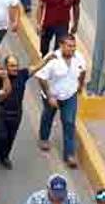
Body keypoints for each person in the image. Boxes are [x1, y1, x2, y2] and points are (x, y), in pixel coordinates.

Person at [34, 34, 85, 168]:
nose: (72, 49)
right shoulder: (52, 59)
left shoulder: (78, 57)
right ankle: (44, 138)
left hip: (69, 95)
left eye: (74, 46)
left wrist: (80, 85)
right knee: (48, 116)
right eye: (69, 46)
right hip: (53, 95)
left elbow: (82, 71)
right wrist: (50, 96)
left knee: (69, 122)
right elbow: (41, 78)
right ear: (61, 45)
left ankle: (69, 154)